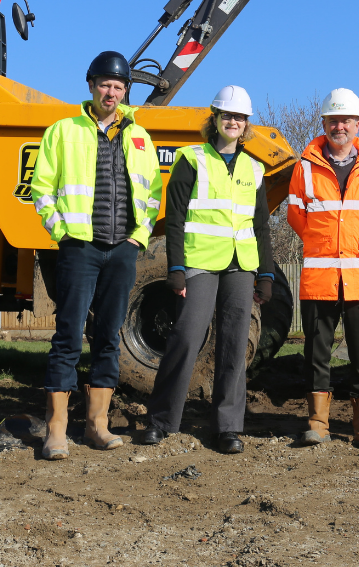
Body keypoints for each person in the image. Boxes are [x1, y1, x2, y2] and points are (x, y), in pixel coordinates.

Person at [30, 51, 162, 460]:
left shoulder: (140, 137)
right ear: (90, 85)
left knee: (108, 337)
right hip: (80, 248)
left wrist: (138, 239)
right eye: (104, 83)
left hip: (122, 251)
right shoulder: (63, 130)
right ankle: (56, 430)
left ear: (125, 92)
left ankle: (97, 426)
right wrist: (62, 232)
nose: (111, 91)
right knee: (68, 336)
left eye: (118, 86)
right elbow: (42, 187)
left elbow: (151, 192)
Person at [141, 86, 275, 454]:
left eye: (240, 117)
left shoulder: (254, 168)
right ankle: (162, 420)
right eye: (227, 115)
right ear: (215, 119)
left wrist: (265, 273)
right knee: (186, 337)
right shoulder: (192, 158)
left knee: (234, 346)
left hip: (241, 266)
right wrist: (177, 268)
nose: (234, 122)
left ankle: (227, 427)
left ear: (247, 124)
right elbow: (176, 218)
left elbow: (261, 226)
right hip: (199, 261)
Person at [288, 88, 359, 450]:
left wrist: (356, 248)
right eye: (333, 120)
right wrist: (323, 244)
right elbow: (296, 215)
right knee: (317, 352)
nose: (339, 126)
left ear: (358, 124)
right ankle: (318, 423)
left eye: (346, 120)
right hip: (320, 277)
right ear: (324, 124)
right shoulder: (304, 167)